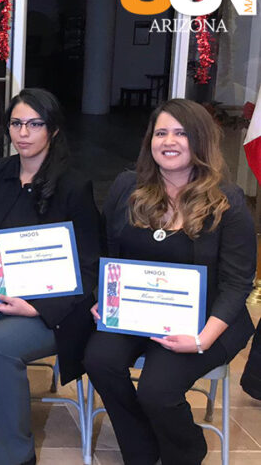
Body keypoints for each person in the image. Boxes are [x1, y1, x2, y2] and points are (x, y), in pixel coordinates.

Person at [83, 98, 256, 465]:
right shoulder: (127, 187)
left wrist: (200, 340)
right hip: (136, 311)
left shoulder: (228, 200)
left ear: (200, 141)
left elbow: (238, 282)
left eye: (180, 133)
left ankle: (187, 451)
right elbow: (109, 252)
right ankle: (140, 447)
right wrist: (105, 296)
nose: (169, 141)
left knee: (157, 391)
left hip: (207, 320)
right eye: (161, 132)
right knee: (99, 359)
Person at [0, 89, 100, 465]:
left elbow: (89, 264)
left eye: (34, 124)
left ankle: (11, 454)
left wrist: (35, 307)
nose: (23, 133)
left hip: (49, 305)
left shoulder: (74, 185)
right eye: (16, 123)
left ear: (53, 130)